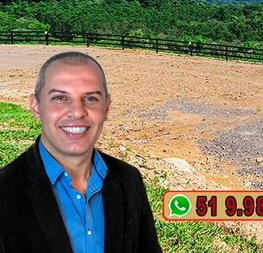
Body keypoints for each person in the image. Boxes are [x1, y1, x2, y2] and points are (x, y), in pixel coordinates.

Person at [0, 51, 162, 252]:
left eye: (91, 98)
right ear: (36, 106)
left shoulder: (129, 179)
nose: (77, 112)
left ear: (106, 107)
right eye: (60, 97)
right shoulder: (4, 191)